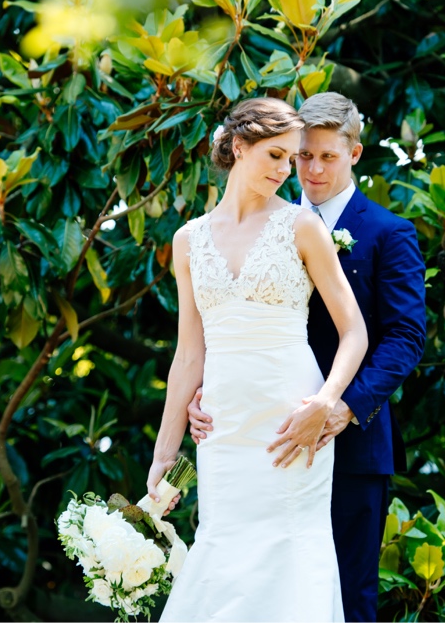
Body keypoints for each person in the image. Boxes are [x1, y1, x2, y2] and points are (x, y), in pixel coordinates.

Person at [183, 91, 428, 621]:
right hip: (259, 438)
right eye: (302, 156)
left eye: (327, 156)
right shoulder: (259, 222)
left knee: (344, 593)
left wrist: (342, 405)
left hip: (353, 441)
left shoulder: (389, 233)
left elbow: (406, 337)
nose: (312, 169)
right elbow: (222, 324)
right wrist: (210, 388)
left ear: (354, 154)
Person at [144, 97, 370, 621]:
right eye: (275, 155)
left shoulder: (302, 227)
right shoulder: (188, 241)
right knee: (222, 549)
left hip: (292, 419)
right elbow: (188, 354)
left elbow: (354, 332)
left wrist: (325, 401)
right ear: (238, 147)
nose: (286, 170)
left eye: (291, 159)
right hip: (223, 428)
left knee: (292, 553)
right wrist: (163, 456)